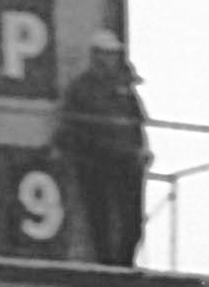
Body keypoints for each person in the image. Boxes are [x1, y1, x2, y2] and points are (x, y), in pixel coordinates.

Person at [58, 40, 150, 267]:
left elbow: (136, 124)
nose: (110, 60)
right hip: (95, 160)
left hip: (127, 161)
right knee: (100, 218)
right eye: (106, 55)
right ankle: (108, 264)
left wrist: (142, 150)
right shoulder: (83, 88)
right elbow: (71, 122)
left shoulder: (126, 91)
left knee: (132, 221)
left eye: (113, 55)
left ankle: (124, 264)